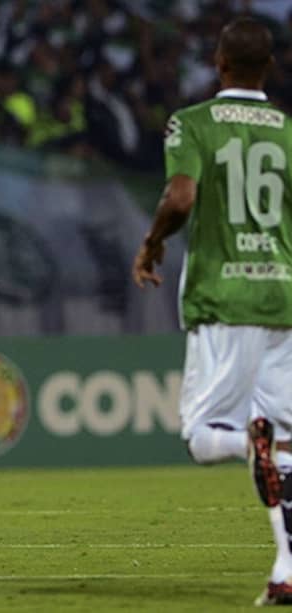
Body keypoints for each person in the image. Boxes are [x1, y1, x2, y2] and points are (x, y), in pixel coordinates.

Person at [132, 17, 292, 606]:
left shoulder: (194, 123)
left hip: (224, 297)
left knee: (203, 436)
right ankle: (286, 567)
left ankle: (249, 443)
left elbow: (181, 195)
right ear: (268, 67)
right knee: (286, 446)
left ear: (219, 65)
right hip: (284, 297)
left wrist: (152, 243)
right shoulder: (287, 131)